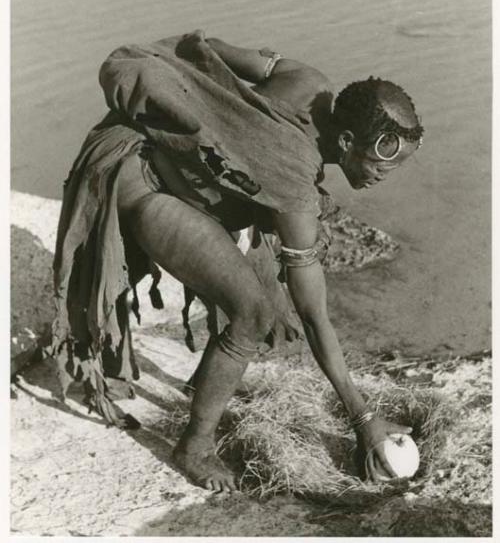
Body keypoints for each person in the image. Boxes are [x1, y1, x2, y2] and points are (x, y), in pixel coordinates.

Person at [52, 29, 424, 493]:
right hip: (141, 182)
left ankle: (202, 387)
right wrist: (363, 416)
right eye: (380, 165)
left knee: (248, 273)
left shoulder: (308, 80)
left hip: (134, 144)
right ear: (346, 141)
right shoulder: (294, 184)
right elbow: (312, 316)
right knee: (253, 311)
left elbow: (212, 53)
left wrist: (216, 132)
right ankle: (195, 446)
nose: (382, 177)